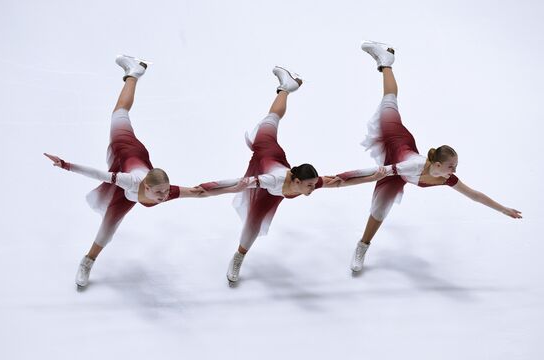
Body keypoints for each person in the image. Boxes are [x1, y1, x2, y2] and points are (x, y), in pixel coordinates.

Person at [44, 55, 244, 288]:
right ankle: (134, 72)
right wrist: (65, 164)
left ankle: (133, 73)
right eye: (160, 193)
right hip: (124, 147)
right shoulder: (129, 182)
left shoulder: (164, 190)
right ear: (146, 187)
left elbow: (200, 192)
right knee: (120, 113)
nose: (164, 197)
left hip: (138, 156)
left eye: (165, 192)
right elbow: (97, 174)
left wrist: (235, 187)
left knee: (108, 228)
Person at [333, 41, 522, 273]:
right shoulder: (413, 166)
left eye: (455, 166)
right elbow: (371, 173)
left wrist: (503, 209)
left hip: (399, 164)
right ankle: (387, 62)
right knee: (389, 100)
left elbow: (474, 195)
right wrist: (336, 180)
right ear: (438, 164)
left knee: (379, 210)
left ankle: (362, 245)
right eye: (451, 166)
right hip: (394, 138)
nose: (454, 170)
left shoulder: (446, 178)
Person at [199, 66, 386, 283]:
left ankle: (286, 87)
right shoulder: (272, 179)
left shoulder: (307, 182)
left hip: (275, 162)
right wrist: (205, 189)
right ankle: (238, 257)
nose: (312, 189)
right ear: (296, 181)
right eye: (308, 186)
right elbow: (237, 184)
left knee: (273, 121)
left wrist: (374, 176)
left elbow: (338, 181)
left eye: (312, 185)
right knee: (272, 119)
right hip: (264, 151)